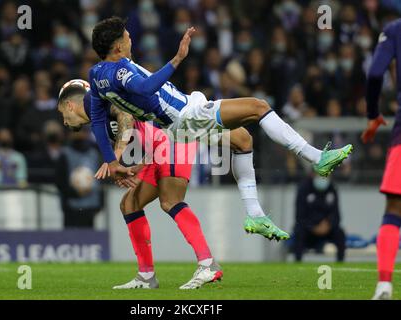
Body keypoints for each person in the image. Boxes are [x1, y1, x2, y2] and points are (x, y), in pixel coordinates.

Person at [87, 17, 353, 240]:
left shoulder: (96, 75)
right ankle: (316, 158)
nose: (131, 39)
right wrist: (177, 59)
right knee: (259, 107)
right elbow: (145, 88)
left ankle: (256, 215)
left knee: (242, 140)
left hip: (177, 123)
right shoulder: (120, 70)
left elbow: (98, 119)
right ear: (118, 46)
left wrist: (111, 161)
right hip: (186, 115)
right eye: (128, 36)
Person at [57, 79, 278, 289]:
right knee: (130, 204)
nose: (65, 122)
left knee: (170, 200)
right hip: (160, 147)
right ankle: (146, 276)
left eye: (62, 114)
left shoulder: (100, 102)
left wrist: (117, 154)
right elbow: (142, 131)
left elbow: (125, 115)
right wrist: (137, 166)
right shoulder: (99, 122)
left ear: (69, 104)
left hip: (174, 137)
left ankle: (207, 263)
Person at [361, 18, 401, 300]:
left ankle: (384, 284)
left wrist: (373, 114)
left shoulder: (395, 29)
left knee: (394, 209)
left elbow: (375, 74)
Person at [55, 127, 103, 228]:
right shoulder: (64, 154)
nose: (79, 135)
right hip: (71, 208)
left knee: (90, 240)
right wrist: (75, 193)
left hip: (90, 207)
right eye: (76, 131)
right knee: (71, 240)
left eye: (82, 132)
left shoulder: (94, 154)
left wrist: (100, 202)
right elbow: (60, 182)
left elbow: (101, 179)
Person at [293, 174, 346, 262]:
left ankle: (340, 261)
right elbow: (300, 215)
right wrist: (313, 226)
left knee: (340, 233)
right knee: (299, 232)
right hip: (309, 229)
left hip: (327, 228)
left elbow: (336, 214)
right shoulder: (304, 188)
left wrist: (328, 224)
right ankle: (298, 261)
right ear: (313, 174)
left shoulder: (332, 188)